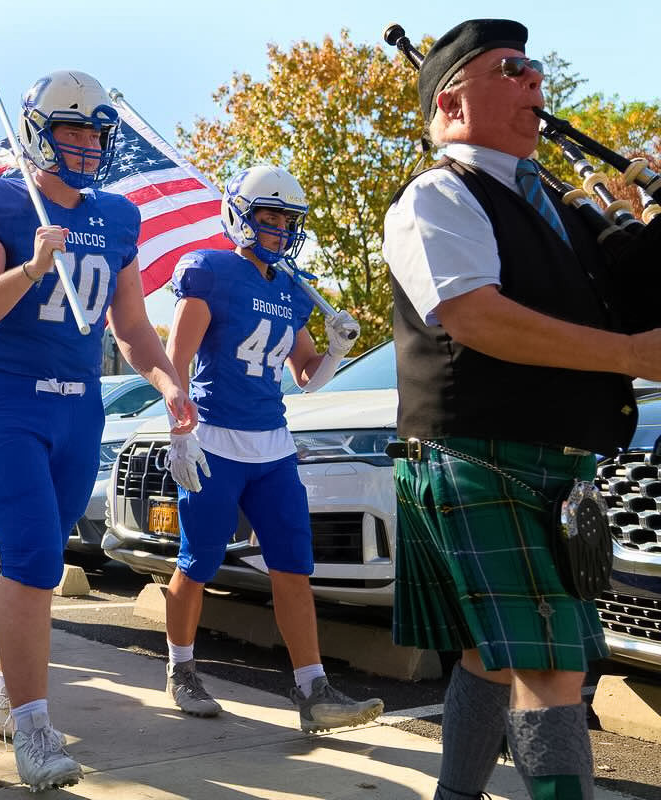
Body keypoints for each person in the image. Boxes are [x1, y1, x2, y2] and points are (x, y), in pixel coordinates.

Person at [382, 19, 661, 800]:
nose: (536, 82)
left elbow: (628, 303)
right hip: (479, 455)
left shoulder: (563, 211)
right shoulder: (436, 196)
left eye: (537, 70)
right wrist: (632, 360)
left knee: (494, 653)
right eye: (512, 69)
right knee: (551, 663)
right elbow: (476, 318)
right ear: (452, 102)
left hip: (556, 459)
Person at [0, 69, 196, 791]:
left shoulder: (118, 217)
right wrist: (29, 268)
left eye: (95, 133)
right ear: (36, 134)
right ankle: (32, 725)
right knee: (28, 556)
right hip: (7, 399)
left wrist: (170, 385)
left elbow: (133, 328)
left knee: (44, 561)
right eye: (72, 130)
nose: (87, 146)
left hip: (78, 406)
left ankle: (5, 688)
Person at [160, 164, 382, 732]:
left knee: (292, 566)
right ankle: (180, 667)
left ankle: (313, 688)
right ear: (240, 215)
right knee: (198, 561)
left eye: (288, 218)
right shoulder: (210, 271)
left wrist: (334, 352)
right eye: (269, 216)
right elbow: (175, 362)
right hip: (214, 438)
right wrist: (179, 430)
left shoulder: (291, 287)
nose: (280, 228)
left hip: (273, 444)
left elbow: (307, 375)